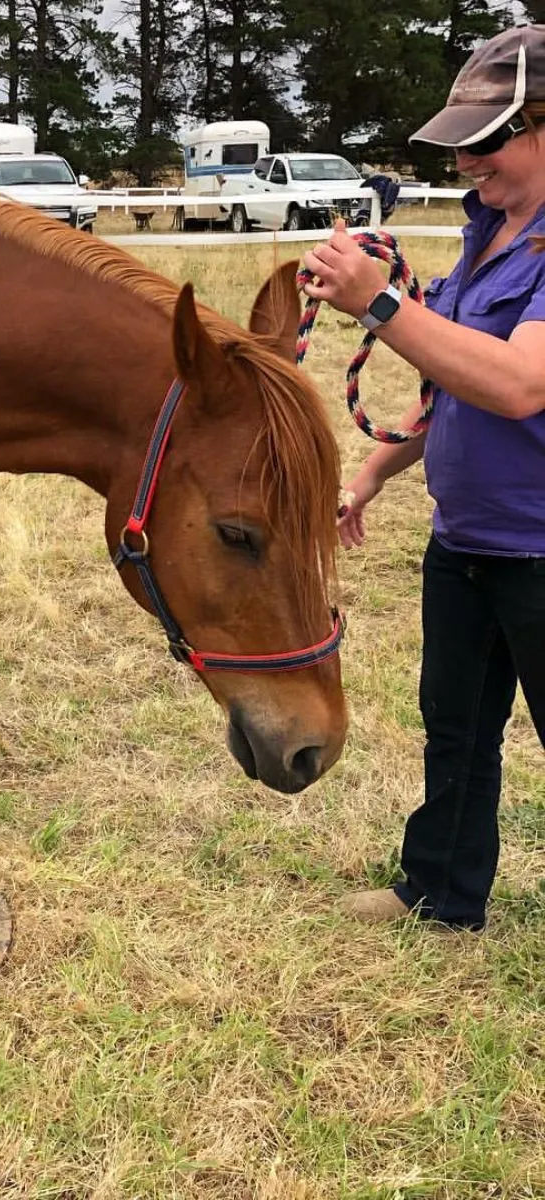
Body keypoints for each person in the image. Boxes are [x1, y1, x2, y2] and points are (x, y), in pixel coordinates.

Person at [302, 23, 545, 930]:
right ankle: (442, 892)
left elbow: (519, 384)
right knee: (456, 731)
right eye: (462, 144)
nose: (467, 162)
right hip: (469, 544)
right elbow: (451, 382)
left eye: (486, 142)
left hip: (540, 551)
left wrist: (381, 302)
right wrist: (373, 473)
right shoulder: (490, 235)